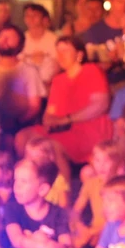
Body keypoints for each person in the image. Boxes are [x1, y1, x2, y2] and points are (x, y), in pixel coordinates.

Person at [27, 36, 111, 166]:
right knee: (23, 138)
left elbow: (101, 104)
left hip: (88, 130)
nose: (60, 55)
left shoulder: (91, 70)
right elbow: (51, 111)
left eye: (65, 50)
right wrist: (48, 119)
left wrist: (67, 119)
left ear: (79, 54)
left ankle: (63, 184)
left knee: (51, 146)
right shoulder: (58, 80)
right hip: (62, 128)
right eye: (58, 51)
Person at [0, 25, 44, 152]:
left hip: (22, 126)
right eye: (1, 37)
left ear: (20, 44)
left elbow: (35, 106)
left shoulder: (29, 71)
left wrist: (14, 125)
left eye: (10, 38)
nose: (4, 40)